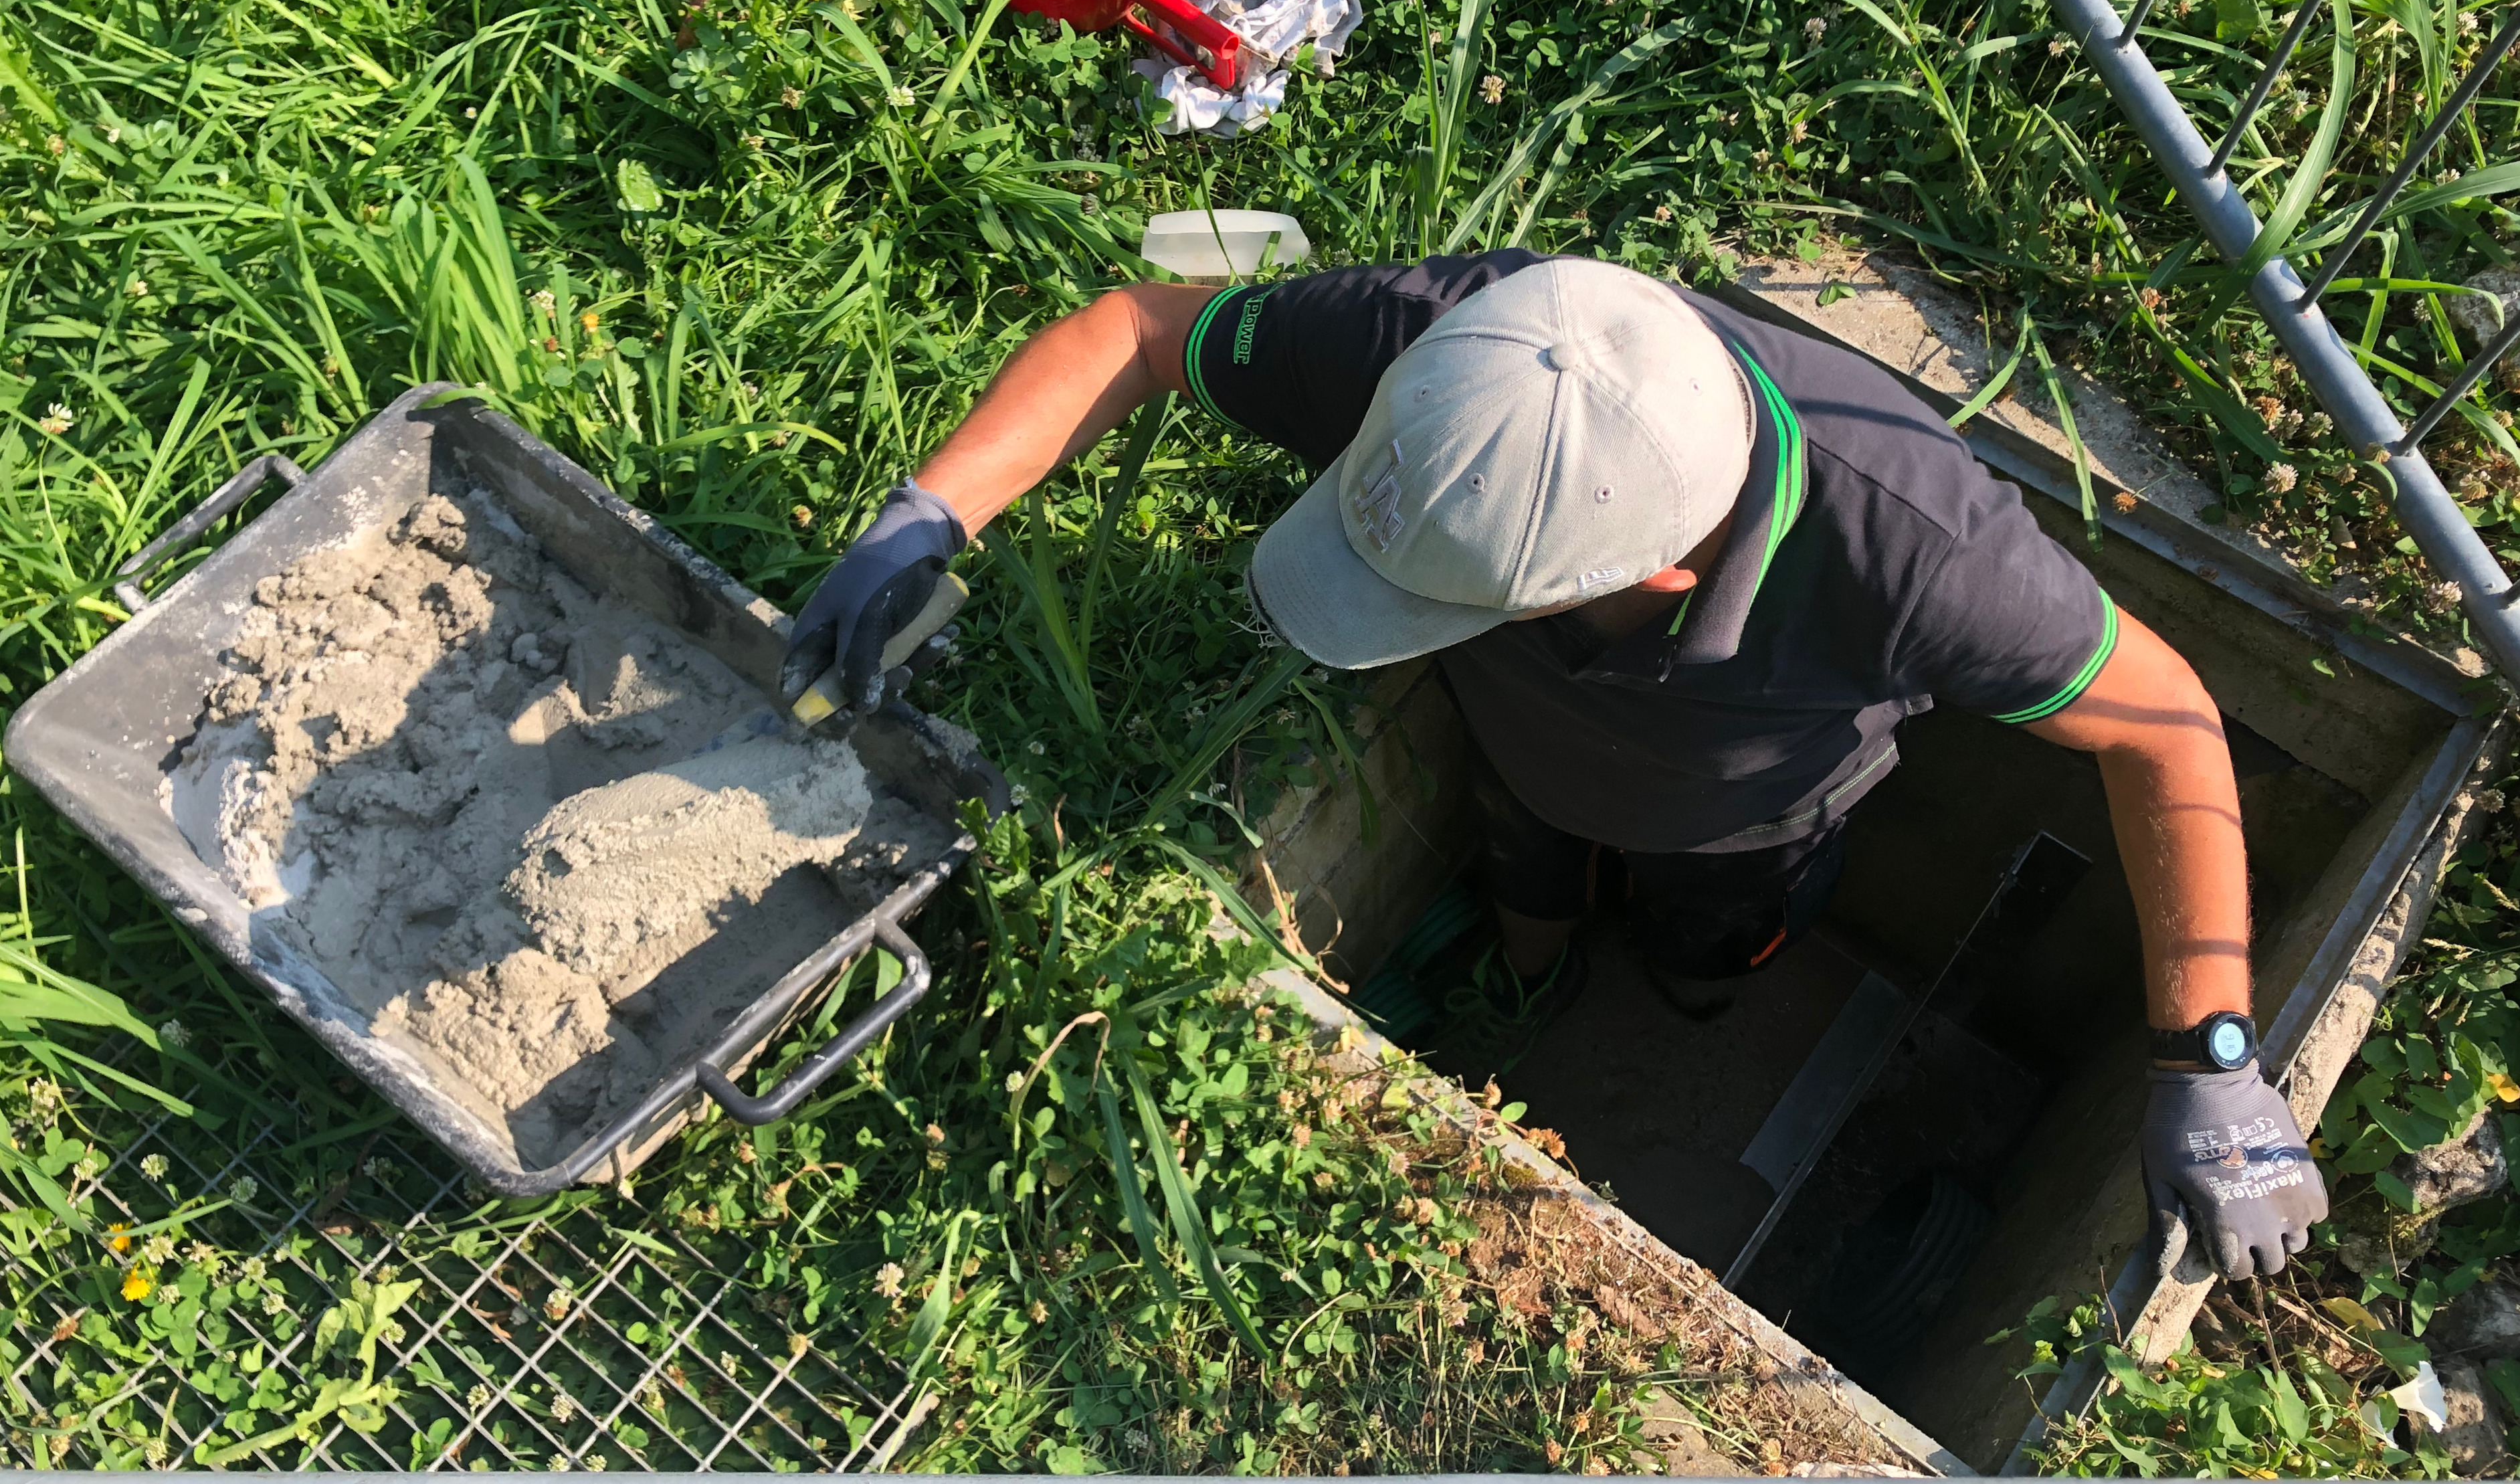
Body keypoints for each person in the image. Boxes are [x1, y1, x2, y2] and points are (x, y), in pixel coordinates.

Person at [782, 249, 2325, 1281]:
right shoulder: (1466, 363)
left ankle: (1686, 990)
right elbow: (1135, 330)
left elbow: (2163, 721)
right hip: (1521, 752)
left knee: (1706, 944)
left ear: (1655, 575)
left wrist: (2211, 1057)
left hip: (1745, 832)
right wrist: (929, 512)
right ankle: (1529, 983)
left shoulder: (1924, 558)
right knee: (1527, 861)